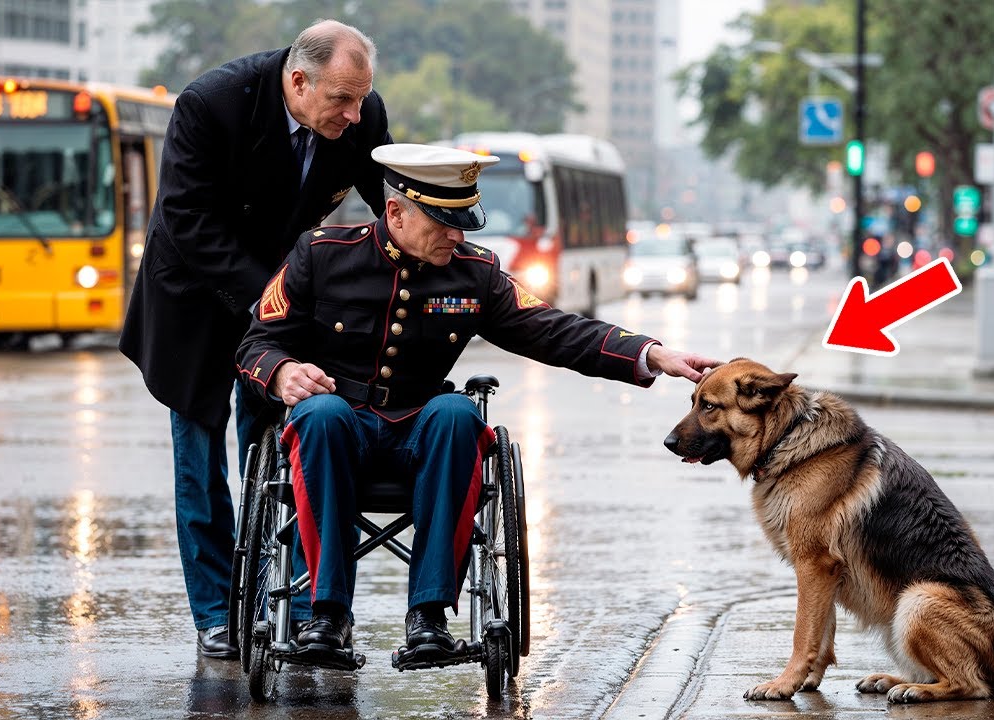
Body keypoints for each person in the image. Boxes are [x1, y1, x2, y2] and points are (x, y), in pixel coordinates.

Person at [235, 143, 722, 664]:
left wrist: (652, 353)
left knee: (459, 413)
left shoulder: (475, 272)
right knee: (321, 414)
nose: (458, 235)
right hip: (336, 424)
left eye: (464, 220)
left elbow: (554, 330)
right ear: (395, 211)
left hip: (421, 431)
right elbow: (254, 343)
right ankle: (326, 615)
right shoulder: (321, 253)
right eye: (444, 221)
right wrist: (282, 371)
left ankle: (428, 616)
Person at [118, 19, 394, 659]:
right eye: (341, 102)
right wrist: (273, 296)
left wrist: (436, 246)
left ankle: (301, 606)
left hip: (281, 295)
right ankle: (216, 613)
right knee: (201, 457)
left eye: (360, 100)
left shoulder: (361, 111)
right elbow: (188, 221)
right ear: (298, 82)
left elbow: (392, 204)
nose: (355, 116)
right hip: (194, 292)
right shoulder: (209, 104)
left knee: (287, 445)